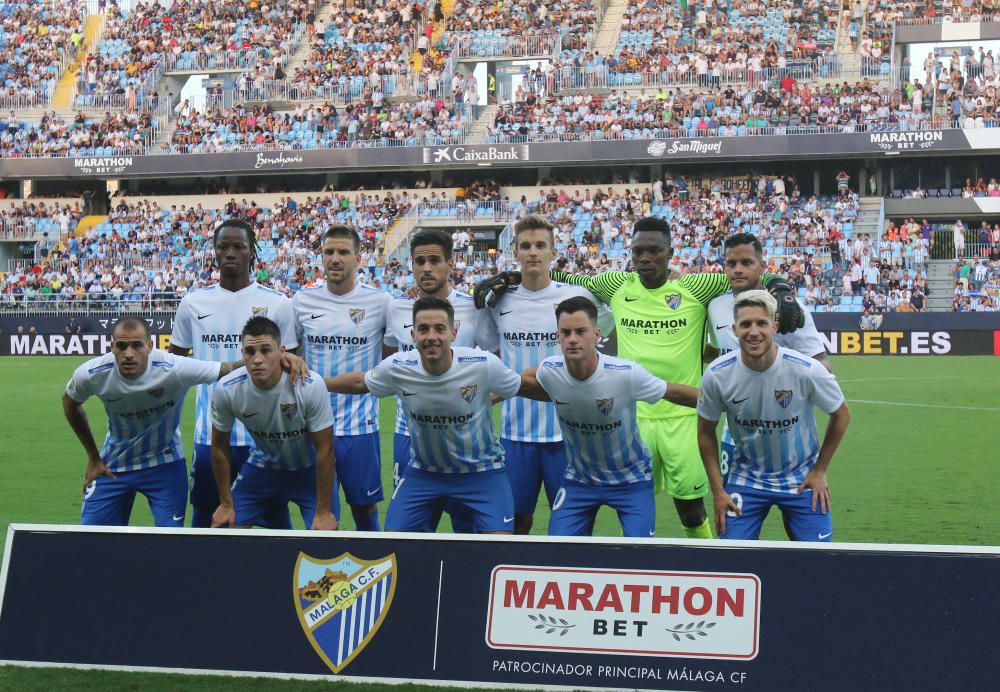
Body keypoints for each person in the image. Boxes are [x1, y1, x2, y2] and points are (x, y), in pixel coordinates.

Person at [475, 216, 804, 539]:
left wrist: (783, 289)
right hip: (633, 419)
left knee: (691, 509)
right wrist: (511, 275)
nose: (645, 258)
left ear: (670, 253)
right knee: (631, 504)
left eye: (654, 251)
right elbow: (567, 278)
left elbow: (748, 272)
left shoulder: (695, 287)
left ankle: (707, 565)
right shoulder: (616, 285)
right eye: (638, 251)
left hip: (684, 418)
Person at [324, 296, 529, 533]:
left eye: (439, 329)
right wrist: (318, 382)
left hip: (482, 472)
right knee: (394, 543)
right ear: (413, 335)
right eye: (423, 329)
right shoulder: (399, 367)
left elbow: (519, 385)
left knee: (499, 546)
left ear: (454, 333)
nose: (431, 336)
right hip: (424, 472)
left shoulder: (482, 364)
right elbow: (361, 381)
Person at [475, 215, 611, 534]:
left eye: (540, 245)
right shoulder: (499, 300)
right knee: (516, 522)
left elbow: (606, 323)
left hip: (567, 433)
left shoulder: (575, 297)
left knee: (571, 524)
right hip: (514, 433)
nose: (533, 252)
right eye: (526, 246)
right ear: (516, 253)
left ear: (553, 252)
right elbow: (487, 345)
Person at [521, 297, 699, 537]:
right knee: (558, 551)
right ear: (558, 336)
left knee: (638, 554)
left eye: (580, 331)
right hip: (580, 480)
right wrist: (491, 395)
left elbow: (672, 392)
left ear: (596, 335)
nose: (572, 339)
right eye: (566, 332)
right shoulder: (550, 371)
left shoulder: (625, 374)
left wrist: (721, 401)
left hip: (631, 479)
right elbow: (522, 380)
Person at [169, 218, 298, 528]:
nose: (230, 253)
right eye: (223, 246)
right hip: (210, 436)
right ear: (214, 251)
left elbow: (291, 368)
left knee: (275, 527)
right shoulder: (192, 303)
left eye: (238, 246)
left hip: (264, 438)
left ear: (251, 252)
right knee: (206, 523)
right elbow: (175, 366)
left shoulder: (277, 304)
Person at [697, 290, 851, 541]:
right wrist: (718, 491)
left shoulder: (807, 370)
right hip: (747, 478)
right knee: (731, 560)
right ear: (735, 330)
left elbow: (841, 414)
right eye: (746, 324)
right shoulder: (717, 374)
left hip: (802, 478)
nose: (753, 331)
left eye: (761, 323)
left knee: (821, 562)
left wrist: (820, 470)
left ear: (775, 327)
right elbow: (704, 433)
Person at [62, 316, 239, 527]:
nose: (128, 354)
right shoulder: (92, 373)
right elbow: (69, 402)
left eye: (137, 345)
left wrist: (279, 359)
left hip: (165, 464)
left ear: (150, 346)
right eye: (121, 346)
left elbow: (228, 369)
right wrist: (93, 455)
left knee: (171, 542)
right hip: (113, 464)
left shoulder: (174, 368)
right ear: (112, 347)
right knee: (91, 538)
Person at [291, 225, 390, 531]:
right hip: (314, 426)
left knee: (364, 508)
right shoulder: (302, 301)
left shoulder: (380, 302)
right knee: (322, 516)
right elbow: (293, 358)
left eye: (343, 252)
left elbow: (386, 363)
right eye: (329, 252)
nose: (335, 258)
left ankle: (371, 567)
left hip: (361, 428)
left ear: (358, 258)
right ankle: (324, 576)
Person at [384, 230, 478, 531]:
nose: (426, 268)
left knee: (468, 532)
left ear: (450, 264)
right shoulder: (396, 308)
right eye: (419, 261)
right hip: (408, 436)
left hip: (463, 439)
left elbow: (491, 365)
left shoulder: (474, 308)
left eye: (434, 260)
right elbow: (389, 361)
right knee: (409, 535)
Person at [210, 317, 337, 531]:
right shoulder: (228, 389)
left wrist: (323, 512)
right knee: (224, 528)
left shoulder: (309, 385)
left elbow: (325, 448)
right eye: (250, 352)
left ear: (282, 351)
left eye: (265, 350)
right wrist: (225, 503)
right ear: (242, 355)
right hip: (262, 467)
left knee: (324, 540)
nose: (257, 359)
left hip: (309, 471)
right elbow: (219, 447)